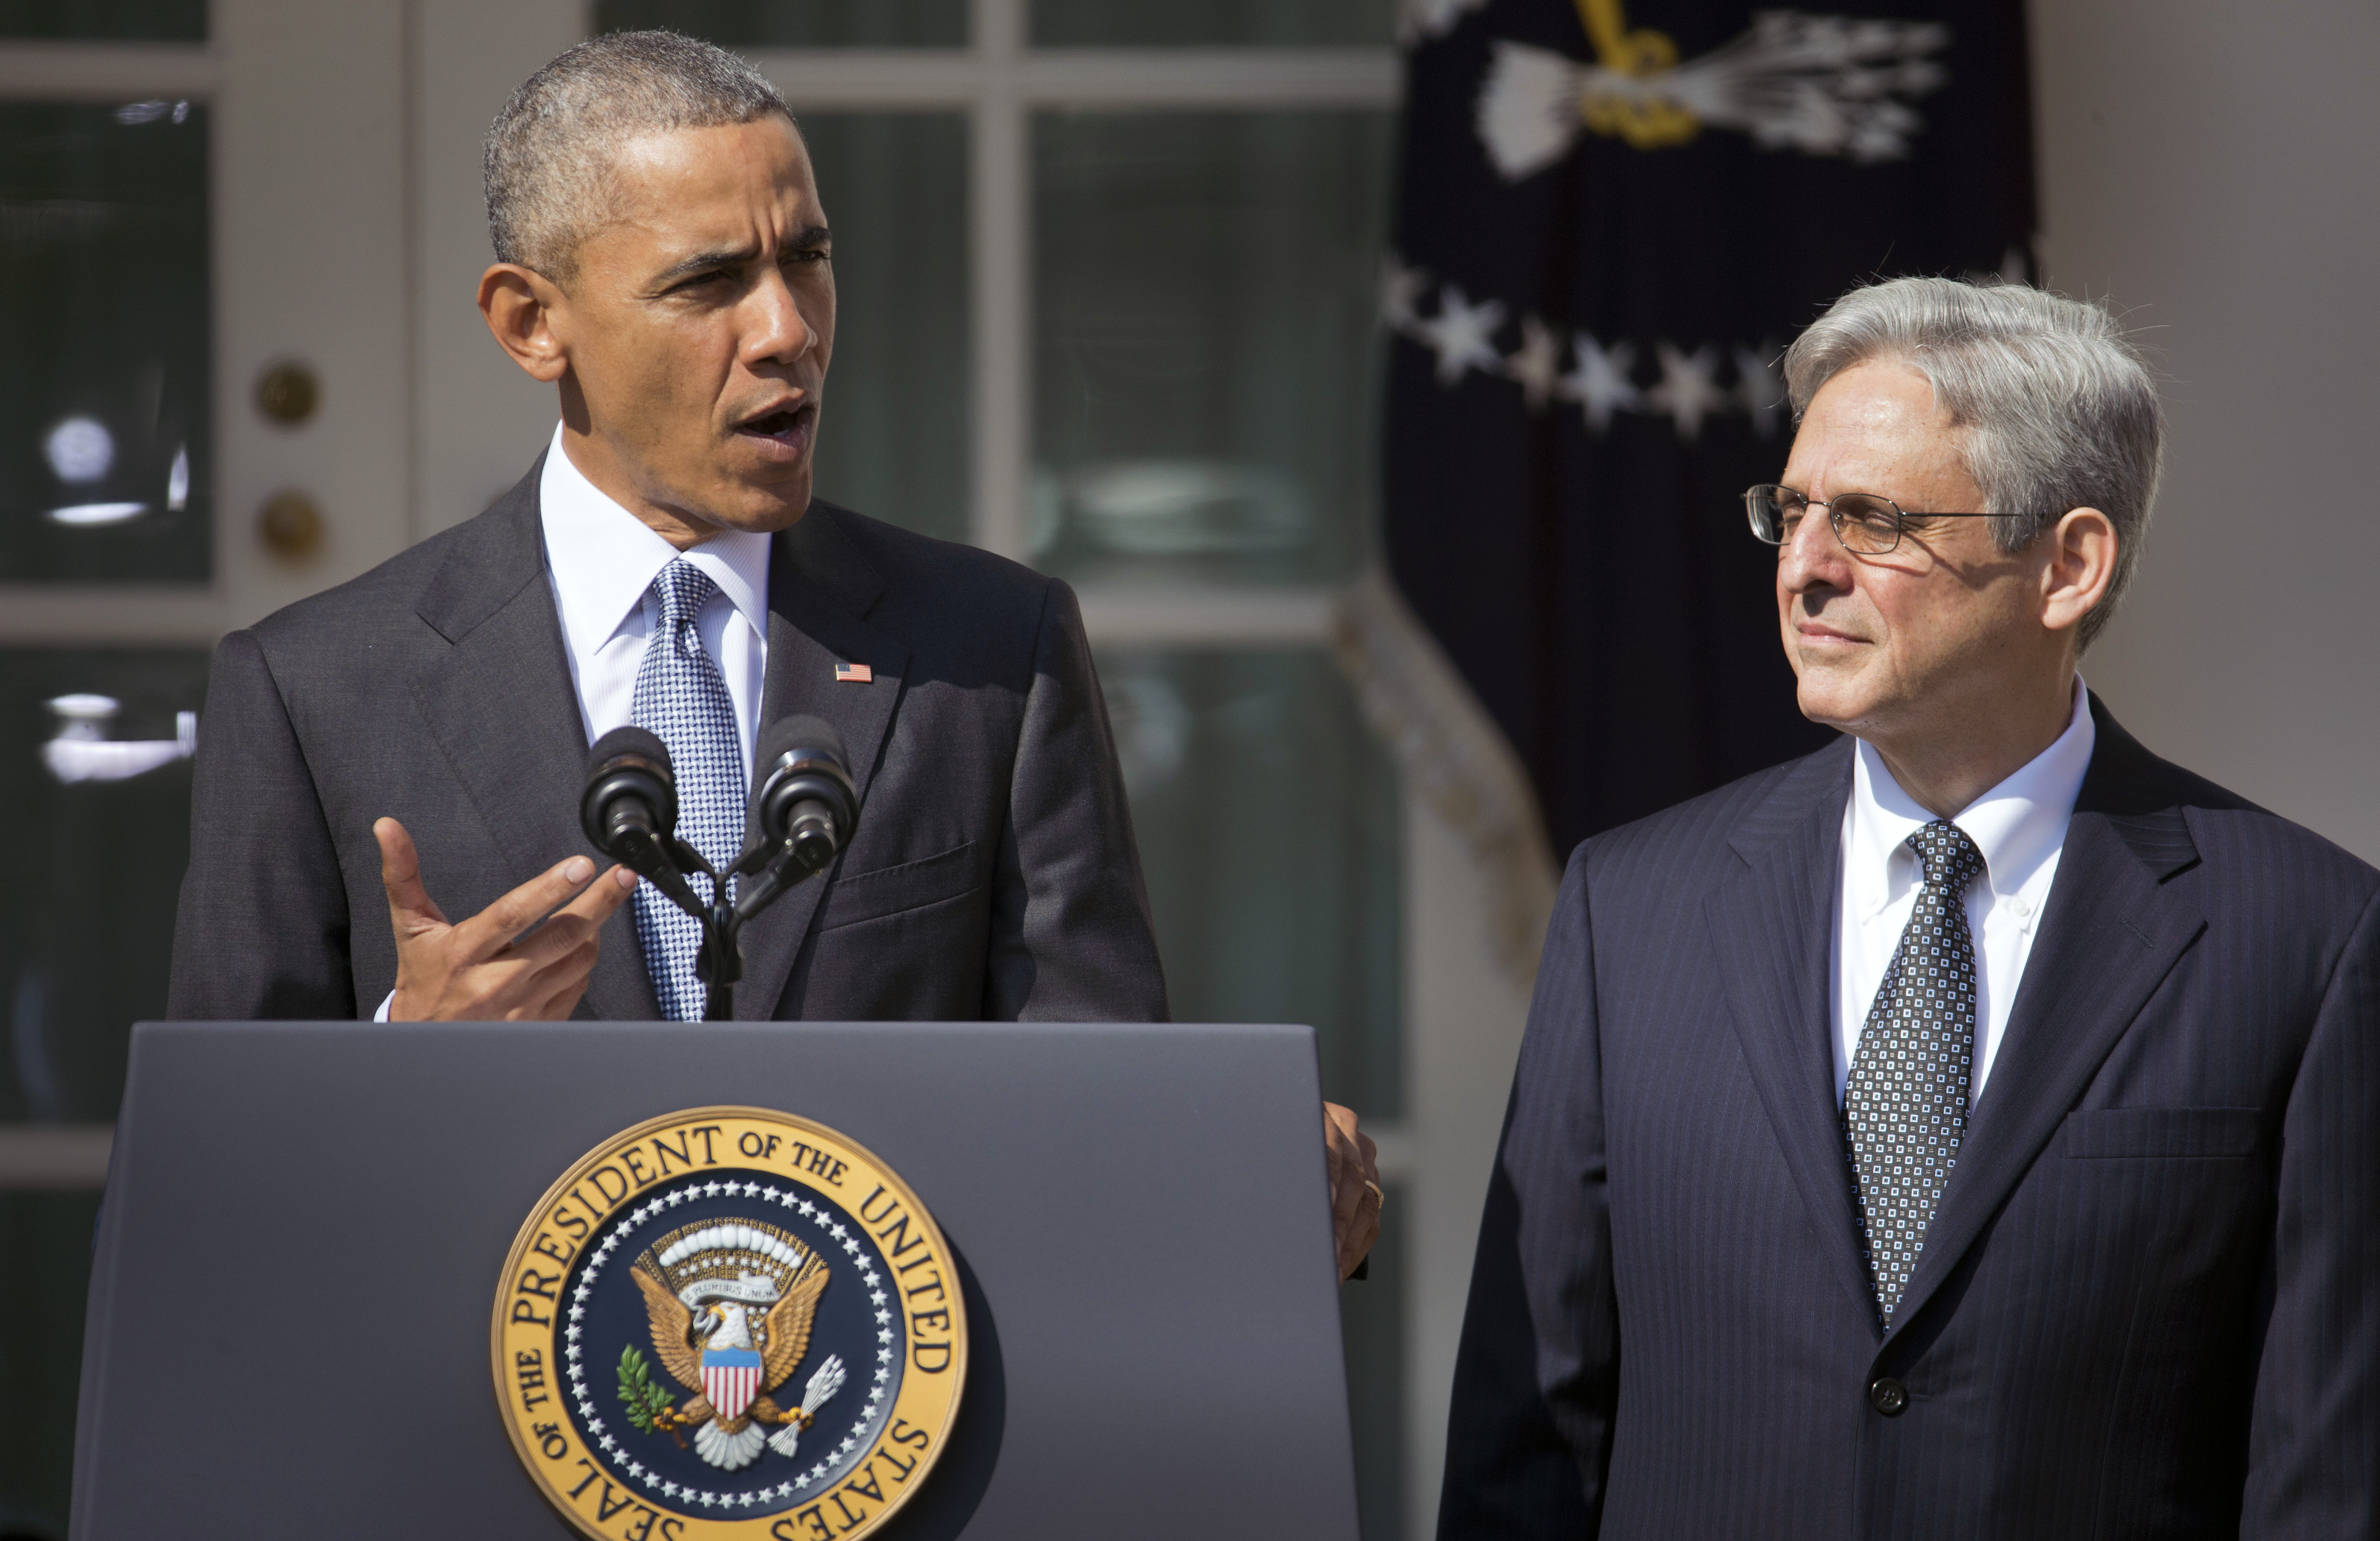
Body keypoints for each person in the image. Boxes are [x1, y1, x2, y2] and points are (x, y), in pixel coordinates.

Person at [164, 31, 1380, 1277]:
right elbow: (202, 1204)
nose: (787, 328)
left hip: (894, 1431)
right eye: (708, 283)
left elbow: (1098, 1097)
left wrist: (1248, 1162)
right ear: (532, 322)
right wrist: (397, 1059)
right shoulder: (316, 685)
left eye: (806, 260)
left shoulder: (989, 651)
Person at [1437, 276, 2377, 1536]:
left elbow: (2326, 1472)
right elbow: (1524, 1442)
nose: (1806, 568)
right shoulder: (1631, 906)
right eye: (1792, 509)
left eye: (1872, 520)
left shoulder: (2307, 938)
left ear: (2066, 563)